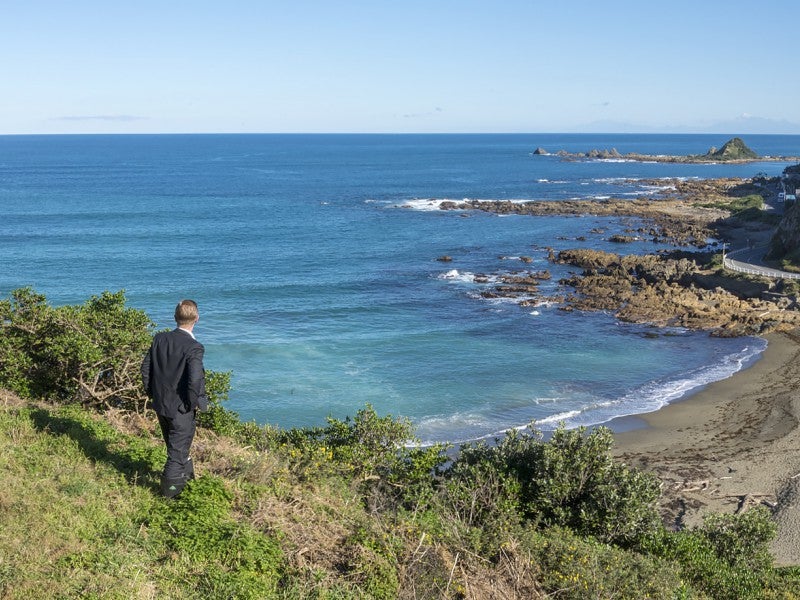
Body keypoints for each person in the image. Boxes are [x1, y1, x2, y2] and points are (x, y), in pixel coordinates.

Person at [141, 299, 208, 498]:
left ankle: (187, 483)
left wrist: (153, 394)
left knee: (178, 447)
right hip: (180, 408)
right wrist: (189, 403)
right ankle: (168, 497)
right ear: (196, 318)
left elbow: (145, 370)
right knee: (176, 454)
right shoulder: (194, 347)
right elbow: (195, 380)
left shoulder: (159, 339)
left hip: (161, 405)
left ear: (175, 317)